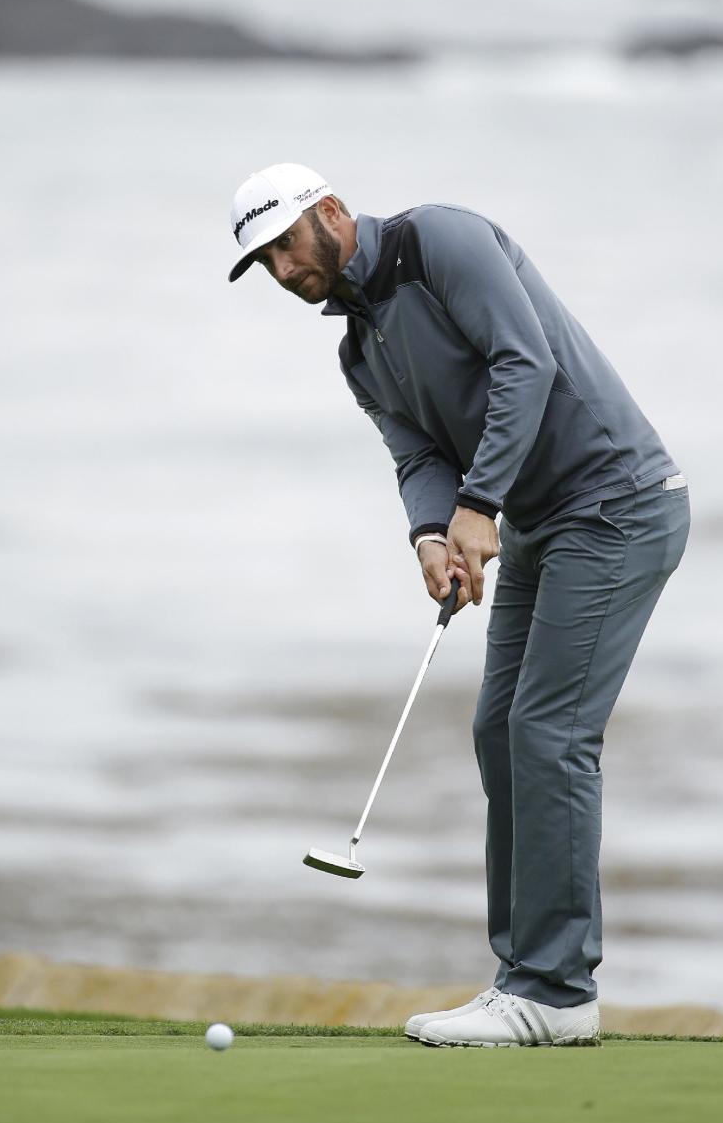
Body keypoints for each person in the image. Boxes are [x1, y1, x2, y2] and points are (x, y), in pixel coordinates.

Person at [227, 162, 690, 1048]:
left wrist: (479, 507)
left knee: (550, 734)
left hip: (618, 506)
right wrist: (433, 537)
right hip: (542, 525)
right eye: (266, 265)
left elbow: (526, 362)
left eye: (286, 246)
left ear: (329, 211)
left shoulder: (439, 240)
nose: (285, 274)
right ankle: (522, 978)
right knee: (498, 731)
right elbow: (415, 460)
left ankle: (555, 993)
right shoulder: (357, 352)